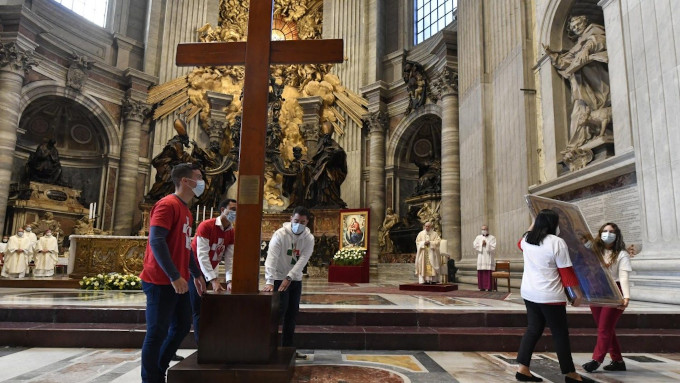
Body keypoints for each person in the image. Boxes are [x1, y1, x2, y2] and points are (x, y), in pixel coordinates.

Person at [139, 163, 207, 383]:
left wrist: (196, 274)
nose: (202, 182)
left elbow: (185, 247)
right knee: (156, 333)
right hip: (160, 280)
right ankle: (151, 379)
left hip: (180, 280)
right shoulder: (167, 205)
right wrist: (173, 276)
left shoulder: (186, 210)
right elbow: (157, 241)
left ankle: (159, 369)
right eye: (198, 177)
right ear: (186, 181)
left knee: (180, 327)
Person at [515, 209, 594, 383]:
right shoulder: (557, 242)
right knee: (560, 334)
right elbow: (566, 272)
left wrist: (535, 220)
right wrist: (578, 294)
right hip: (550, 295)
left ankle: (522, 369)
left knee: (533, 329)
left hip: (529, 293)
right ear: (553, 224)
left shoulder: (527, 240)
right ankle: (570, 374)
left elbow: (522, 240)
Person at [262, 206, 315, 359]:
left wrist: (290, 276)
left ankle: (287, 349)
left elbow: (303, 259)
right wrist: (270, 281)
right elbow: (271, 258)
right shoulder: (280, 235)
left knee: (292, 314)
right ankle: (267, 347)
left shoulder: (309, 238)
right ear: (291, 219)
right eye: (296, 220)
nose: (299, 224)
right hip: (278, 278)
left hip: (294, 279)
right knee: (279, 311)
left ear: (307, 223)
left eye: (303, 222)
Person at [581, 222, 633, 373]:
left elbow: (623, 277)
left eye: (611, 232)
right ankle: (618, 361)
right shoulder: (595, 250)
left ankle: (596, 359)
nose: (607, 234)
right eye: (604, 231)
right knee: (606, 328)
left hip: (615, 292)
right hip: (597, 291)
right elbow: (578, 247)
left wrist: (626, 297)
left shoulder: (622, 254)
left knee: (604, 328)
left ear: (616, 235)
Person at [189, 198, 236, 343]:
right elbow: (201, 255)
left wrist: (229, 280)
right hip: (193, 270)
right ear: (223, 210)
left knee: (208, 309)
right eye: (233, 209)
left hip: (209, 272)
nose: (235, 213)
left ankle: (210, 344)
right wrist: (214, 280)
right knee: (197, 309)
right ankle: (200, 346)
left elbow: (229, 259)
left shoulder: (231, 232)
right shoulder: (206, 226)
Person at [473, 225, 496, 291]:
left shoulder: (492, 237)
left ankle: (489, 287)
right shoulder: (478, 237)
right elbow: (474, 245)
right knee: (481, 271)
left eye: (485, 229)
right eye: (482, 229)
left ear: (488, 230)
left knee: (488, 271)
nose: (484, 230)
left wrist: (486, 244)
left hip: (489, 256)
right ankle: (482, 287)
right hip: (481, 256)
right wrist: (481, 244)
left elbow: (493, 247)